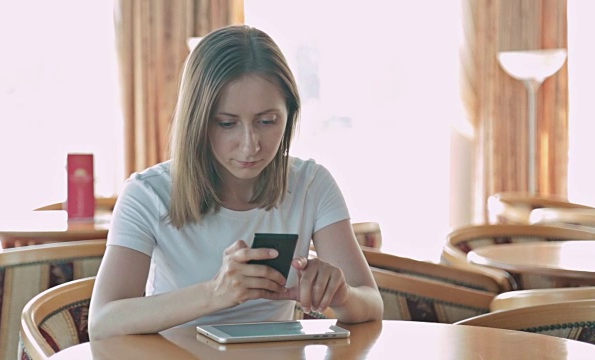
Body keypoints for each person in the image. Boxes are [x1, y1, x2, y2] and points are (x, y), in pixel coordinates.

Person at [88, 24, 383, 340]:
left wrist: (341, 295)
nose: (250, 145)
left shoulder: (311, 184)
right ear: (198, 122)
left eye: (267, 121)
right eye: (227, 124)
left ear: (290, 114)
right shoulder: (148, 194)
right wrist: (215, 293)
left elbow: (371, 302)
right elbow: (103, 321)